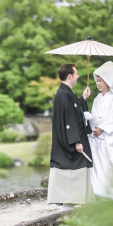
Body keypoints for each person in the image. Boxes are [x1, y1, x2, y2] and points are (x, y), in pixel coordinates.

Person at [47, 64, 94, 211]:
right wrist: (76, 141)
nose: (79, 76)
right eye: (76, 73)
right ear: (70, 76)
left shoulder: (67, 93)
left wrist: (83, 98)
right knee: (71, 170)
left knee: (78, 169)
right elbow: (68, 120)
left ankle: (72, 204)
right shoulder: (62, 94)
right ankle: (66, 206)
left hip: (73, 139)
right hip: (70, 141)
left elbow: (74, 111)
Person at [89, 61, 113, 200]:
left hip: (107, 140)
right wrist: (92, 127)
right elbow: (93, 118)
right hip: (96, 140)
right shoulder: (97, 99)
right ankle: (98, 194)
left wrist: (103, 129)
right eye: (97, 80)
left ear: (108, 81)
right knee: (97, 168)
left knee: (110, 166)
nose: (98, 83)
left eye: (101, 80)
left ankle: (111, 195)